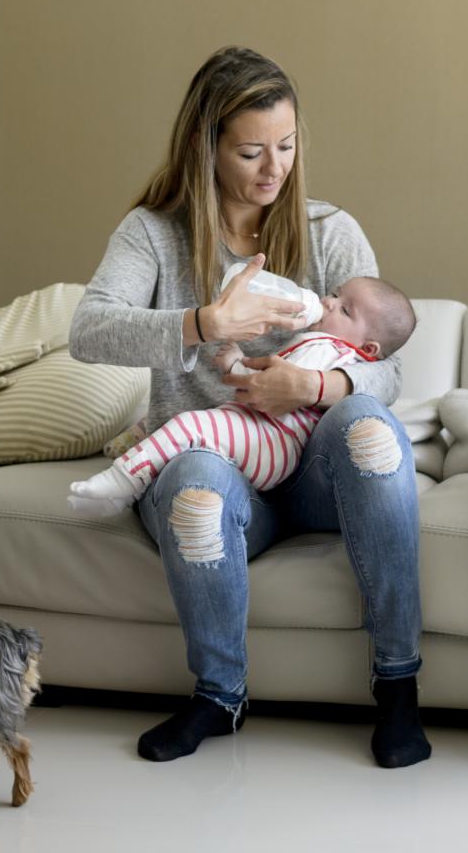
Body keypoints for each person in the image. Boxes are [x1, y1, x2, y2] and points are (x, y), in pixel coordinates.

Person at [69, 47, 430, 767]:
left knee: (369, 428)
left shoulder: (330, 232)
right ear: (207, 146)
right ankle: (218, 694)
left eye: (288, 146)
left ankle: (398, 685)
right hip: (220, 468)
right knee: (198, 489)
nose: (275, 169)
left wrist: (317, 388)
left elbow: (387, 366)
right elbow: (87, 330)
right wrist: (202, 324)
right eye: (251, 151)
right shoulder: (153, 233)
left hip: (314, 474)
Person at [68, 276, 416, 513]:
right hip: (270, 446)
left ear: (368, 347)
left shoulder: (327, 348)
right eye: (336, 294)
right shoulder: (329, 346)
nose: (327, 301)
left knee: (190, 425)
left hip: (270, 439)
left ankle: (124, 480)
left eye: (343, 309)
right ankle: (135, 467)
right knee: (194, 440)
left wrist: (236, 364)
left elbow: (268, 385)